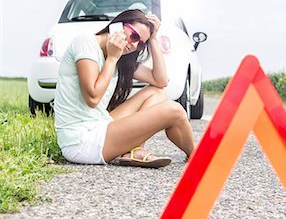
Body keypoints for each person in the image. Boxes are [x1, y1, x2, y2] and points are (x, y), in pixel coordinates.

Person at [54, 9, 195, 168]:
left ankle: (135, 150)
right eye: (134, 36)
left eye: (141, 43)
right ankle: (197, 157)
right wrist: (112, 58)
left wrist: (153, 40)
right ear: (117, 26)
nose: (134, 44)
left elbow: (160, 81)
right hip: (81, 141)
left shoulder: (120, 58)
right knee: (174, 110)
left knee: (156, 92)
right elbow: (92, 98)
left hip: (98, 124)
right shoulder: (85, 43)